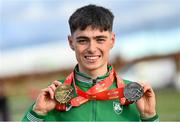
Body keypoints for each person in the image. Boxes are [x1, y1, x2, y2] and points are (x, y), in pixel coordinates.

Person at [22, 4, 159, 121]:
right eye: (83, 40)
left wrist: (149, 117)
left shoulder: (134, 96)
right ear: (71, 42)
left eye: (100, 39)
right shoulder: (53, 97)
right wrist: (38, 113)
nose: (92, 49)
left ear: (112, 40)